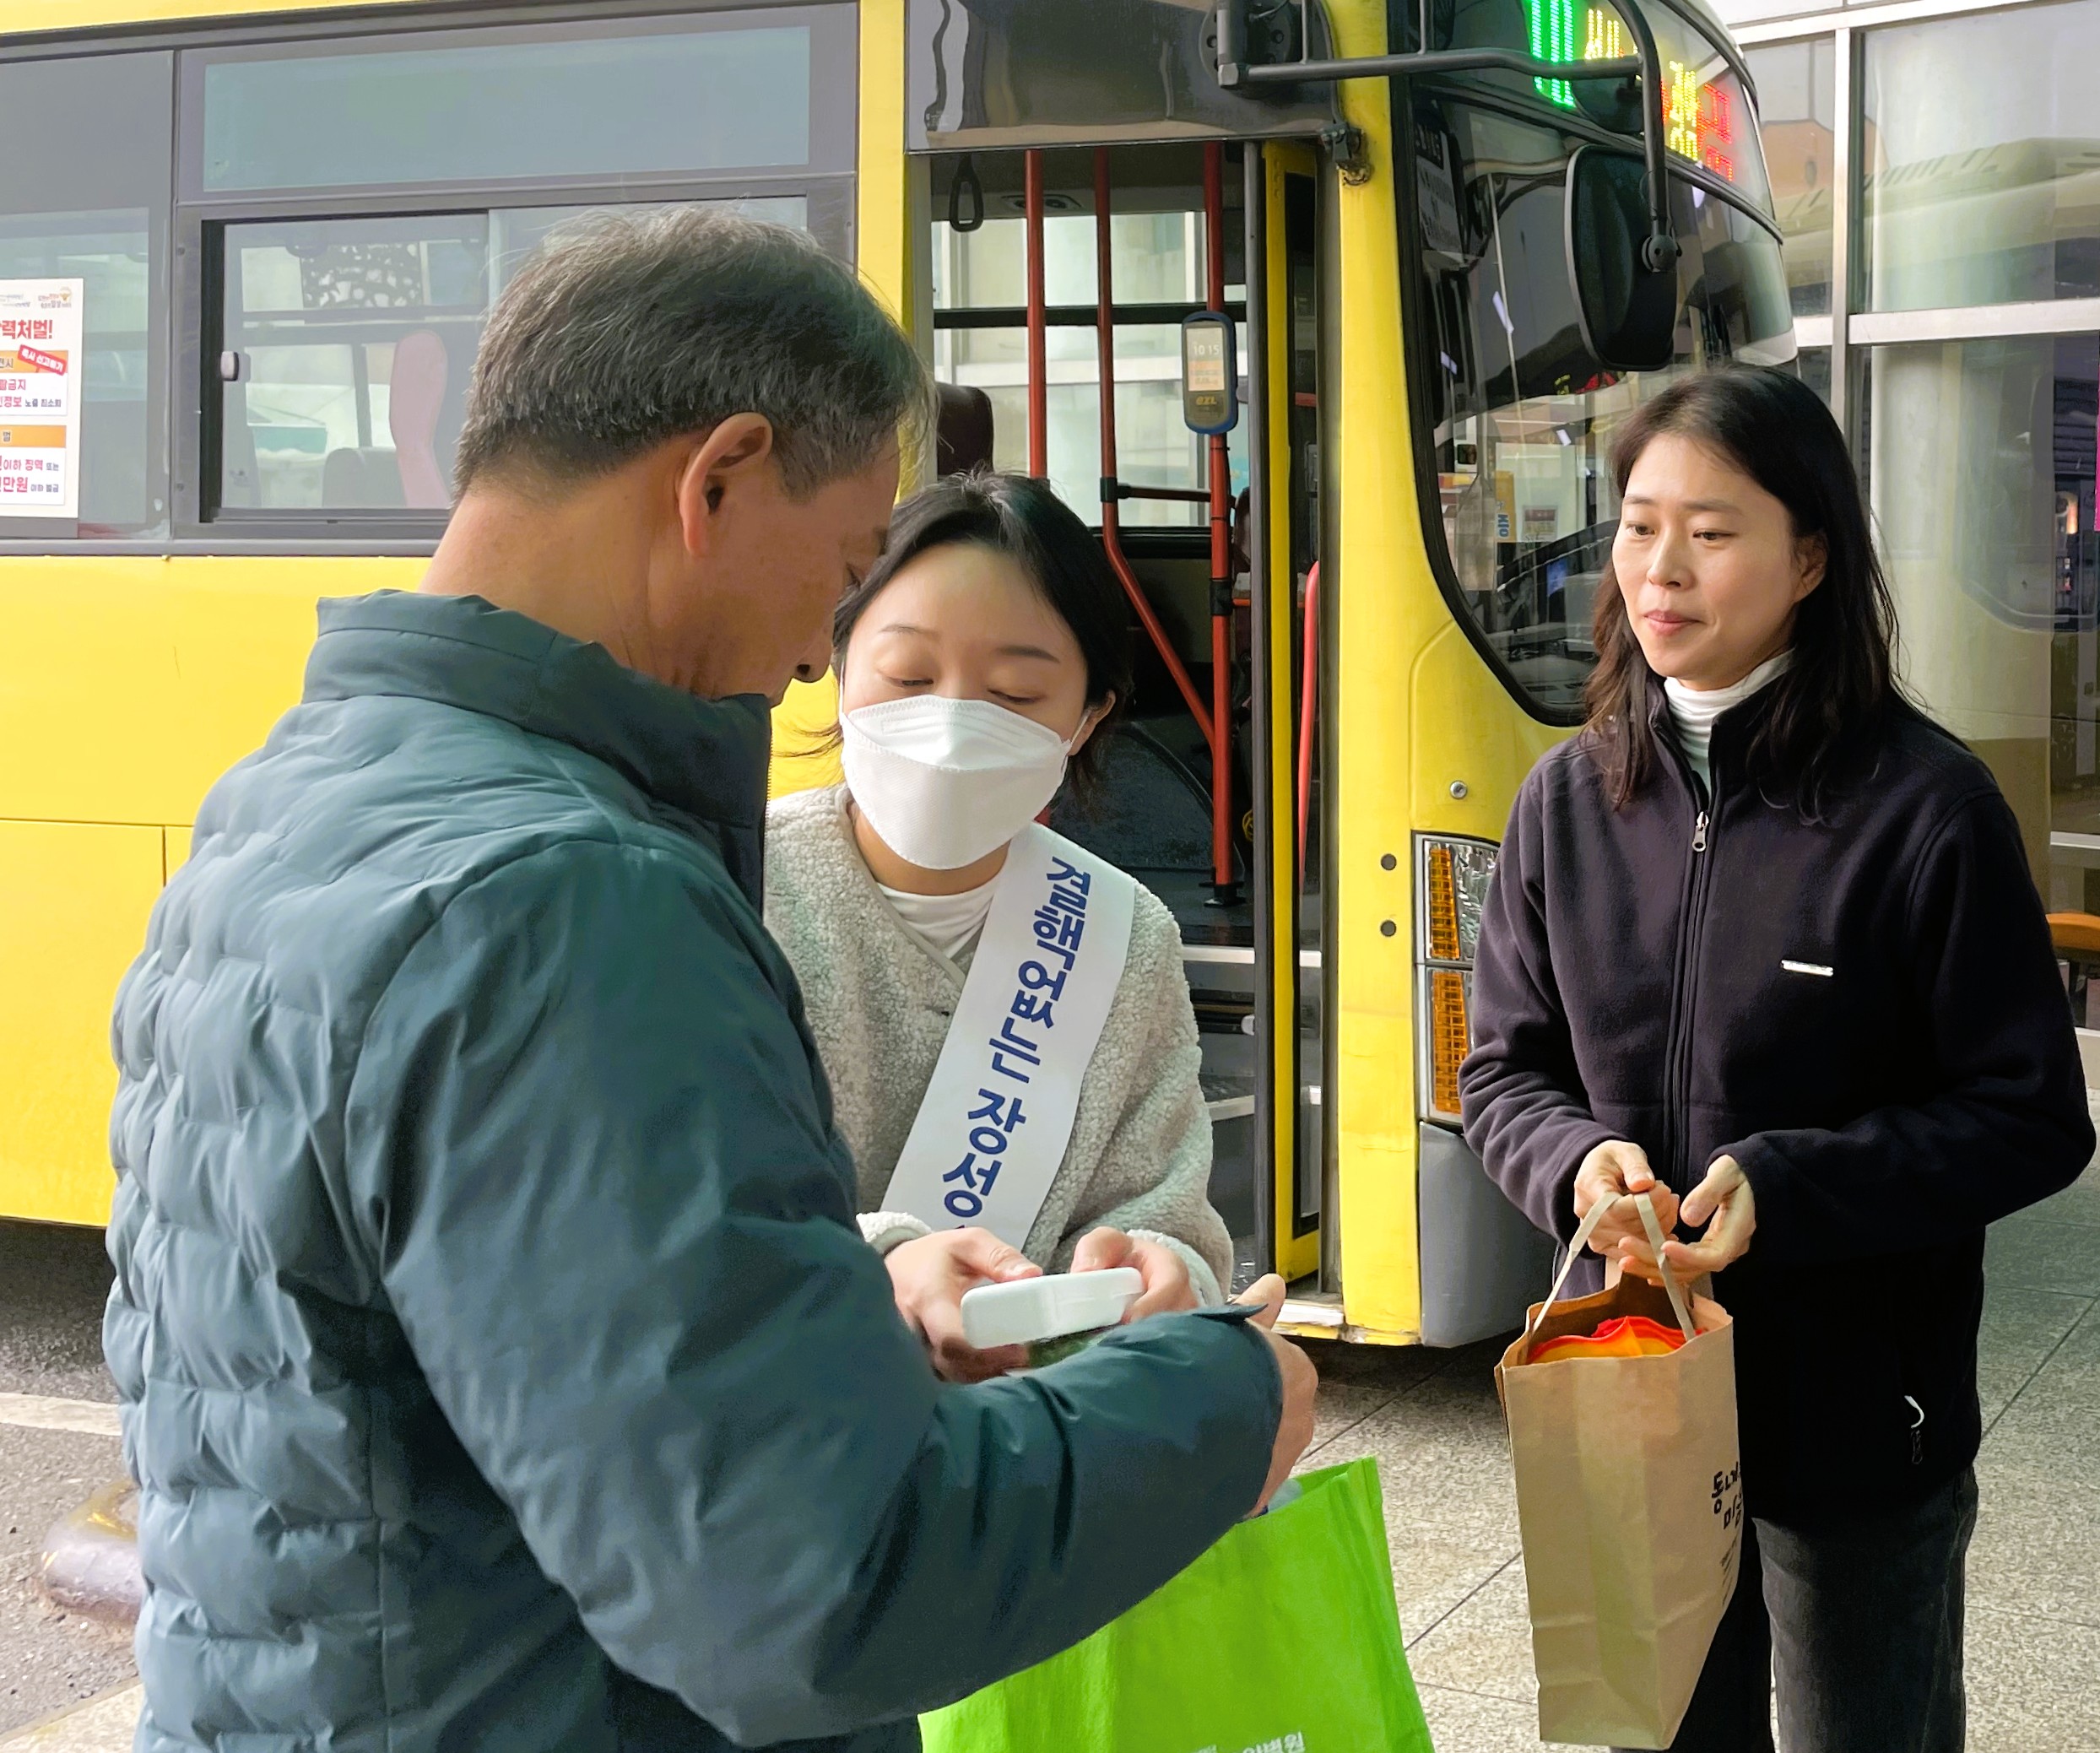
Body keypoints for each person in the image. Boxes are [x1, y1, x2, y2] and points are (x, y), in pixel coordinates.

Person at [103, 210, 1317, 1753]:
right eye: (843, 567)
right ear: (718, 479)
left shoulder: (284, 800)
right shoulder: (570, 898)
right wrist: (1221, 1399)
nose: (818, 651)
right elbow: (815, 1586)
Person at [1460, 365, 2092, 1753]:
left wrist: (1790, 1186)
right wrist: (1576, 1166)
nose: (1658, 568)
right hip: (1632, 1383)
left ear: (1809, 555)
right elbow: (1499, 1073)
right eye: (1635, 524)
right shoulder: (1565, 800)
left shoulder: (1922, 808)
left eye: (1711, 528)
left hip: (1860, 1415)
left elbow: (2031, 1114)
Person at [765, 473, 1233, 1381]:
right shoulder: (736, 889)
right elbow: (685, 1217)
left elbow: (1171, 1225)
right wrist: (888, 1262)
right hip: (793, 1437)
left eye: (1016, 695)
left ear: (1086, 716)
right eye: (907, 676)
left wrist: (1168, 1273)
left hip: (1031, 1452)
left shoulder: (1123, 935)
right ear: (837, 660)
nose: (950, 726)